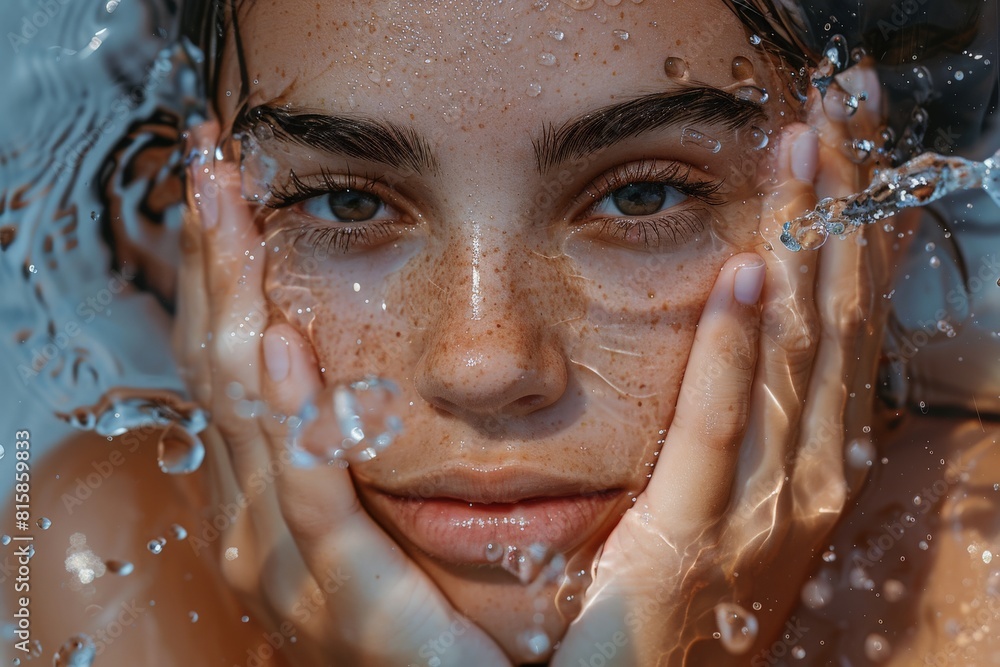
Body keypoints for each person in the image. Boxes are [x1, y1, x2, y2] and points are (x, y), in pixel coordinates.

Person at [5, 1, 998, 665]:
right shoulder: (95, 566)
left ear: (872, 210)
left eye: (643, 195)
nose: (483, 362)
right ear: (201, 227)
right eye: (346, 204)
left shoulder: (974, 595)